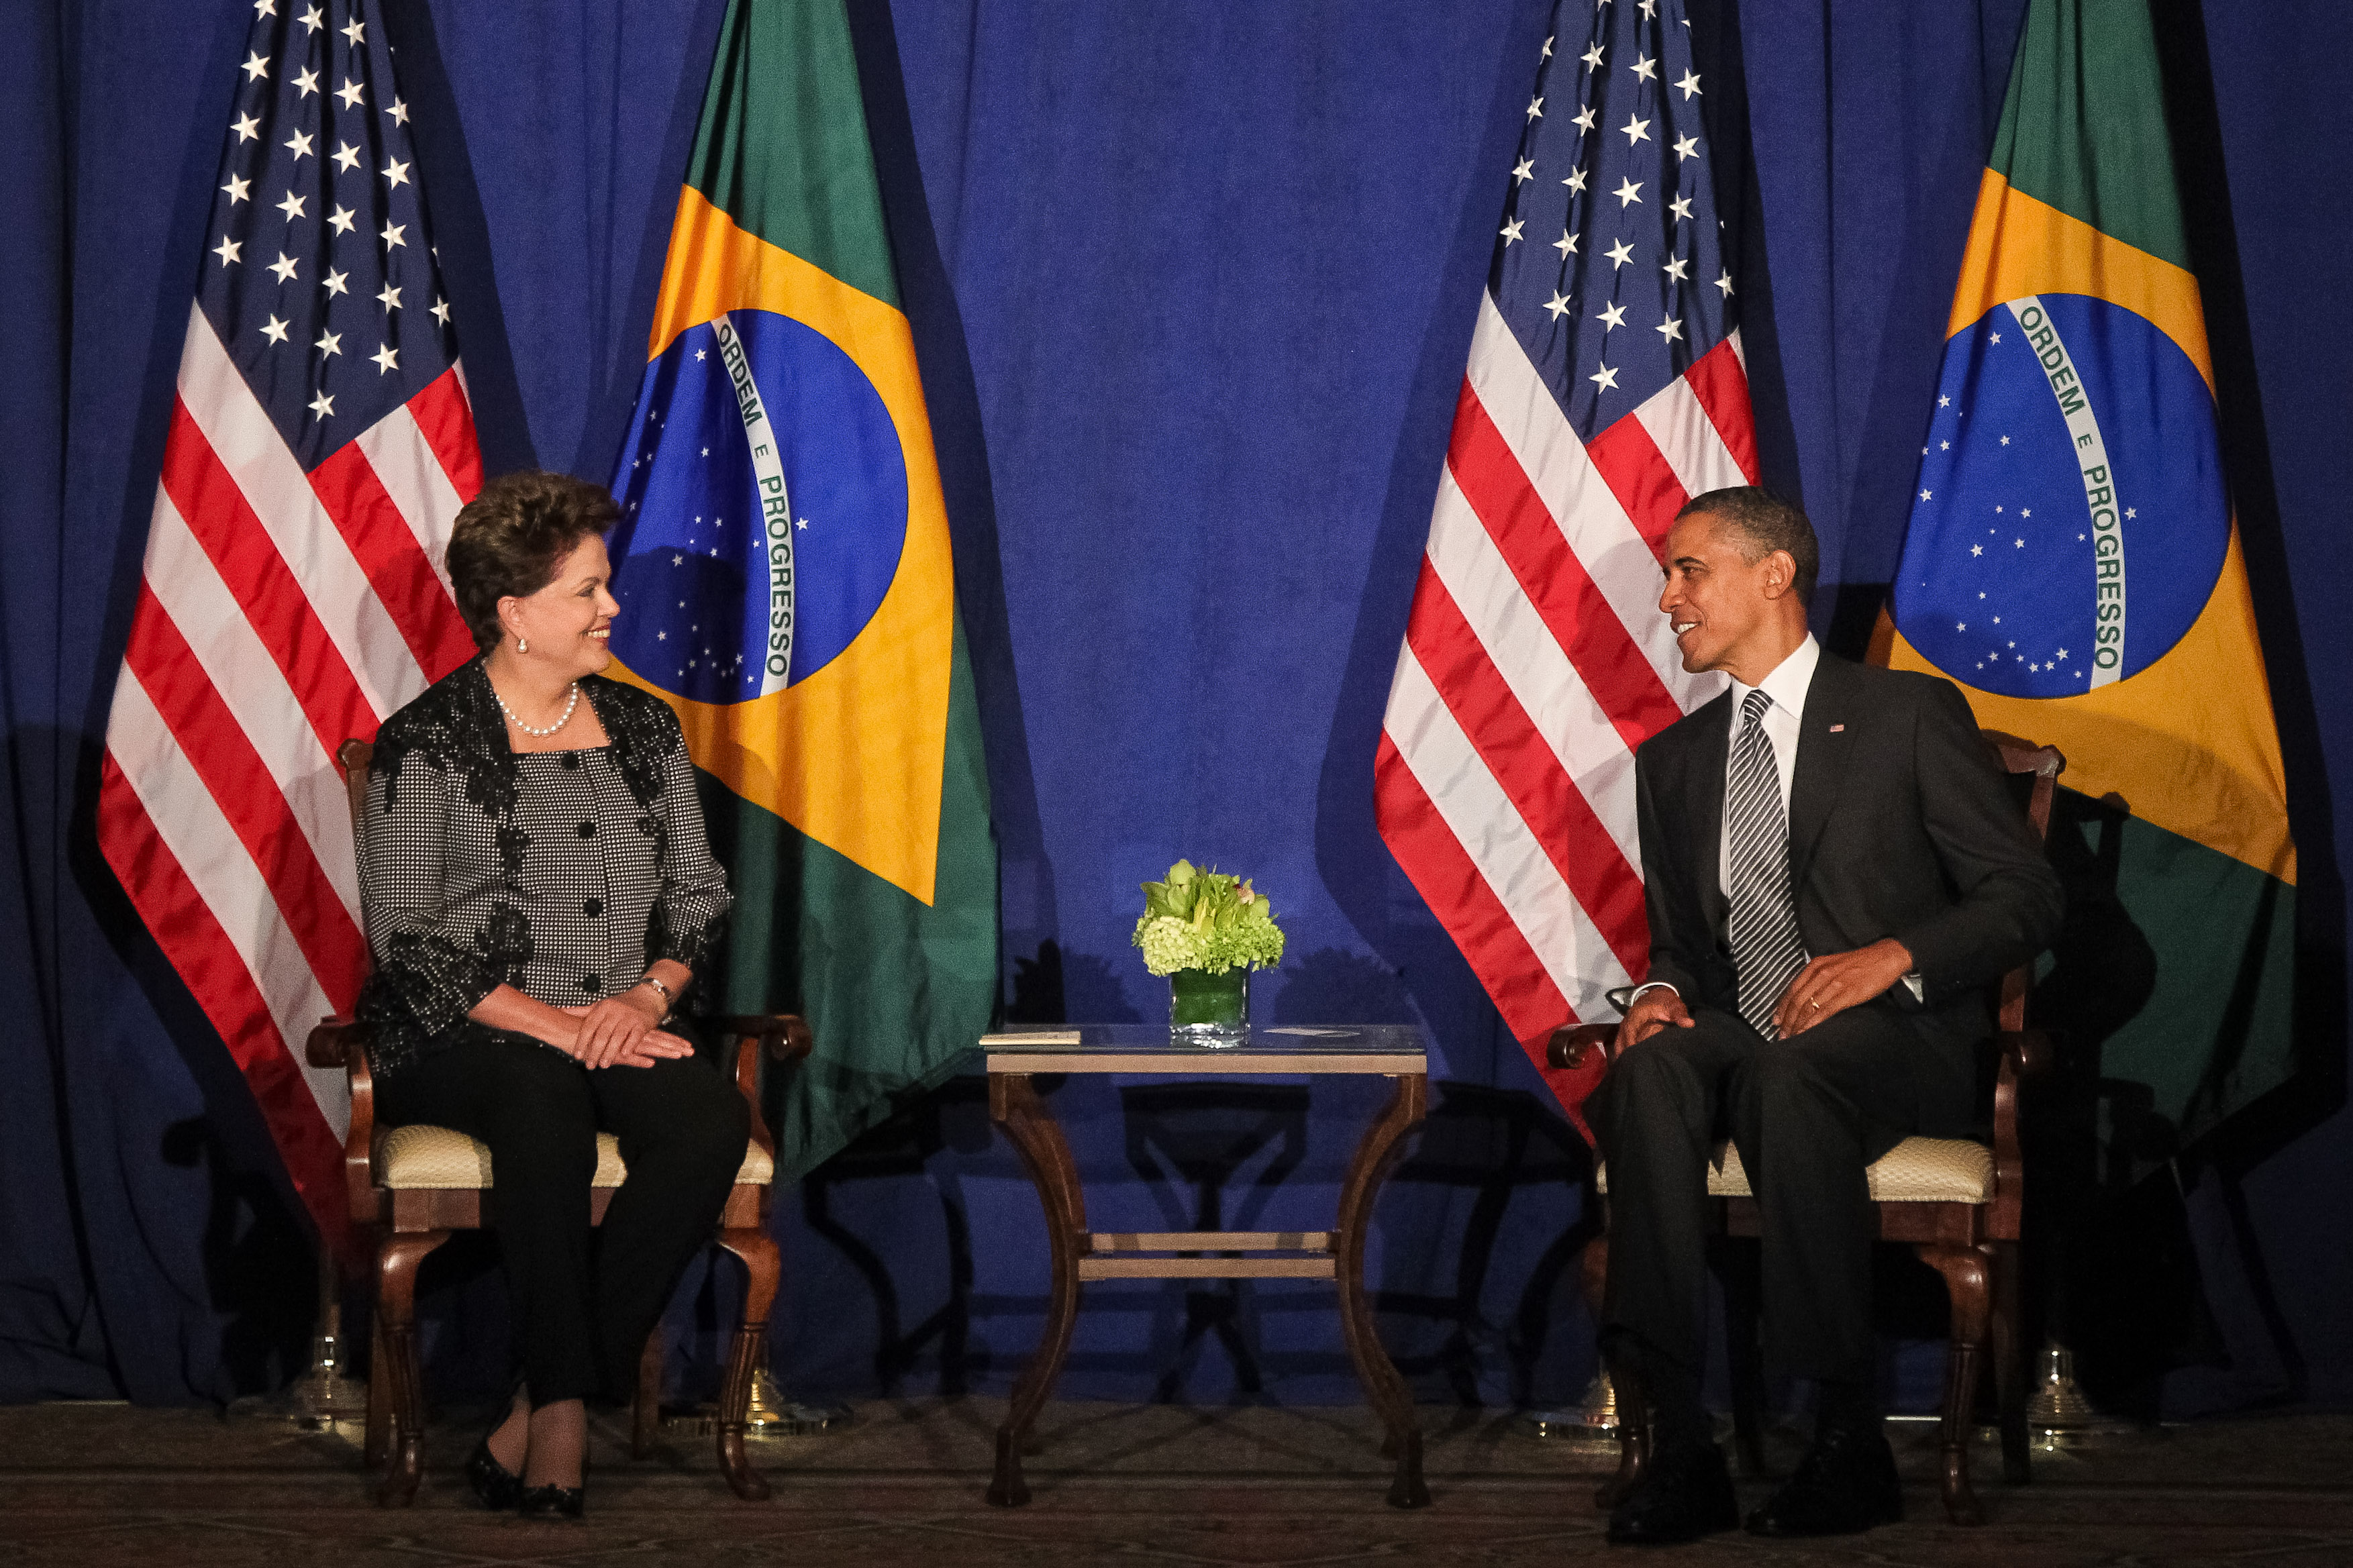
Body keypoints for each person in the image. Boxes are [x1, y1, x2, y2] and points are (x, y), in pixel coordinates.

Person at [1589, 486, 2063, 1545]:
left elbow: (2025, 899)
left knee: (1785, 1073)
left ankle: (1844, 1437)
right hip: (1741, 1024)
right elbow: (1679, 945)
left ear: (1773, 575)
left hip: (1894, 1040)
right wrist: (1662, 992)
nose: (1666, 596)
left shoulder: (1903, 716)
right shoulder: (1671, 763)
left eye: (1687, 570)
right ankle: (1678, 1441)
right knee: (1650, 1072)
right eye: (1667, 575)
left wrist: (1893, 955)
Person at [355, 470, 746, 1519]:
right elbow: (406, 938)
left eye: (603, 583)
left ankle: (540, 1394)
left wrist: (652, 998)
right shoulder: (424, 742)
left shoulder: (644, 728)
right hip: (467, 1029)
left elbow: (700, 891)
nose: (610, 606)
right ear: (513, 612)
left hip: (623, 1014)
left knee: (708, 1119)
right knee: (542, 1110)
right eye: (586, 589)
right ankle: (567, 1416)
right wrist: (563, 1025)